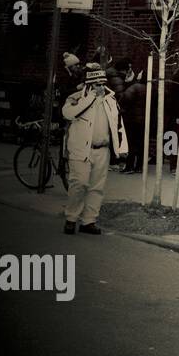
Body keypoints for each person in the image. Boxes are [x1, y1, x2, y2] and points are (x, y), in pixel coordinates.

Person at [61, 64, 129, 235]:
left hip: (102, 149)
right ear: (89, 84)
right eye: (96, 84)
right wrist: (90, 97)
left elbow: (118, 125)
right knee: (79, 184)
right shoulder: (76, 98)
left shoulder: (110, 100)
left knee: (96, 187)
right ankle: (71, 218)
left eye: (102, 83)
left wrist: (122, 148)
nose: (100, 87)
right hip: (80, 149)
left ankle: (89, 221)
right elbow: (68, 114)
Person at [117, 59, 147, 173]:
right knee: (141, 143)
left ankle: (129, 166)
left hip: (132, 119)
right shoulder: (149, 88)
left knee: (131, 143)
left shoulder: (134, 87)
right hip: (143, 119)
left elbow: (123, 100)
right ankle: (139, 166)